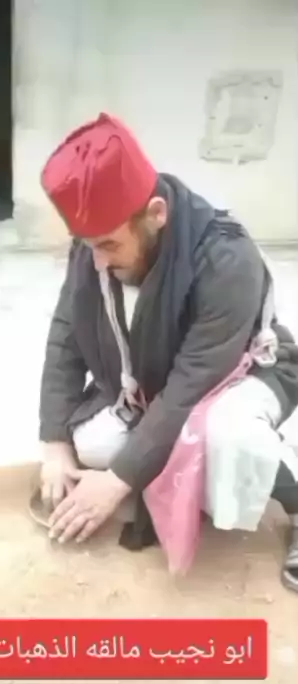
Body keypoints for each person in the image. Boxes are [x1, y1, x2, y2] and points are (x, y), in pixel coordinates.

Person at [36, 112, 298, 591]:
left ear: (156, 214)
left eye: (109, 245)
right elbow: (67, 333)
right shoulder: (95, 245)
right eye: (88, 246)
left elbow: (191, 386)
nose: (98, 262)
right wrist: (54, 442)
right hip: (152, 381)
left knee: (227, 438)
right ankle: (188, 482)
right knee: (91, 446)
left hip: (239, 376)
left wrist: (118, 480)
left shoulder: (226, 258)